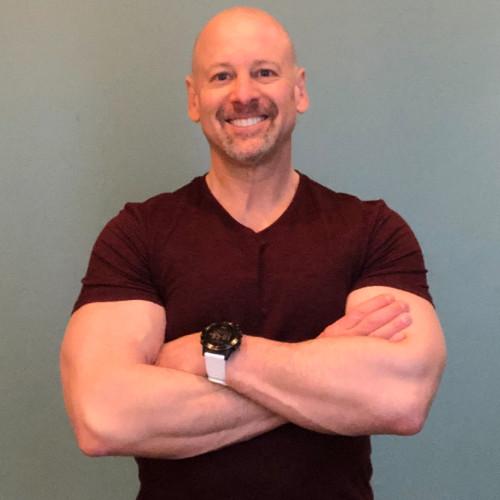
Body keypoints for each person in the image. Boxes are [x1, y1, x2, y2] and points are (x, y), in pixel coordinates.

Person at [60, 6, 446, 500]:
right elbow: (103, 417)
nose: (243, 94)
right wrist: (320, 367)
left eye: (264, 72)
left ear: (298, 90)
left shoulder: (373, 231)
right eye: (222, 76)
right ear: (194, 98)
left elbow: (401, 397)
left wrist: (210, 353)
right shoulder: (138, 234)